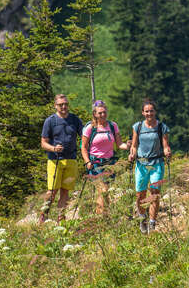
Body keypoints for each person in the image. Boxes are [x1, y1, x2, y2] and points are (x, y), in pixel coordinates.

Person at [128, 98, 171, 234]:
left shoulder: (162, 127)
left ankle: (152, 223)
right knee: (140, 194)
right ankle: (142, 219)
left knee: (154, 193)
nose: (149, 114)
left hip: (157, 163)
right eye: (146, 111)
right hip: (141, 164)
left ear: (155, 112)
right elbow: (134, 145)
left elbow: (165, 145)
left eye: (151, 111)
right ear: (142, 113)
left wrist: (167, 152)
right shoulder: (138, 127)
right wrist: (132, 154)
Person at [40, 94, 83, 224]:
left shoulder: (75, 120)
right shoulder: (50, 121)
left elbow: (83, 137)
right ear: (55, 106)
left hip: (71, 159)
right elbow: (43, 143)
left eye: (65, 104)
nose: (63, 107)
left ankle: (61, 219)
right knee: (52, 191)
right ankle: (44, 214)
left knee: (65, 191)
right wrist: (53, 148)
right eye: (60, 105)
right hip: (55, 160)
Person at [80, 99, 127, 215]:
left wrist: (131, 146)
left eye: (104, 112)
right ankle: (102, 217)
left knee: (105, 191)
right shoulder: (90, 128)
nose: (103, 115)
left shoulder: (112, 126)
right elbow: (83, 148)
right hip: (95, 163)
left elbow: (120, 144)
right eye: (100, 113)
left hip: (110, 163)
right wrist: (87, 162)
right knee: (103, 190)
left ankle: (103, 216)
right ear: (94, 114)